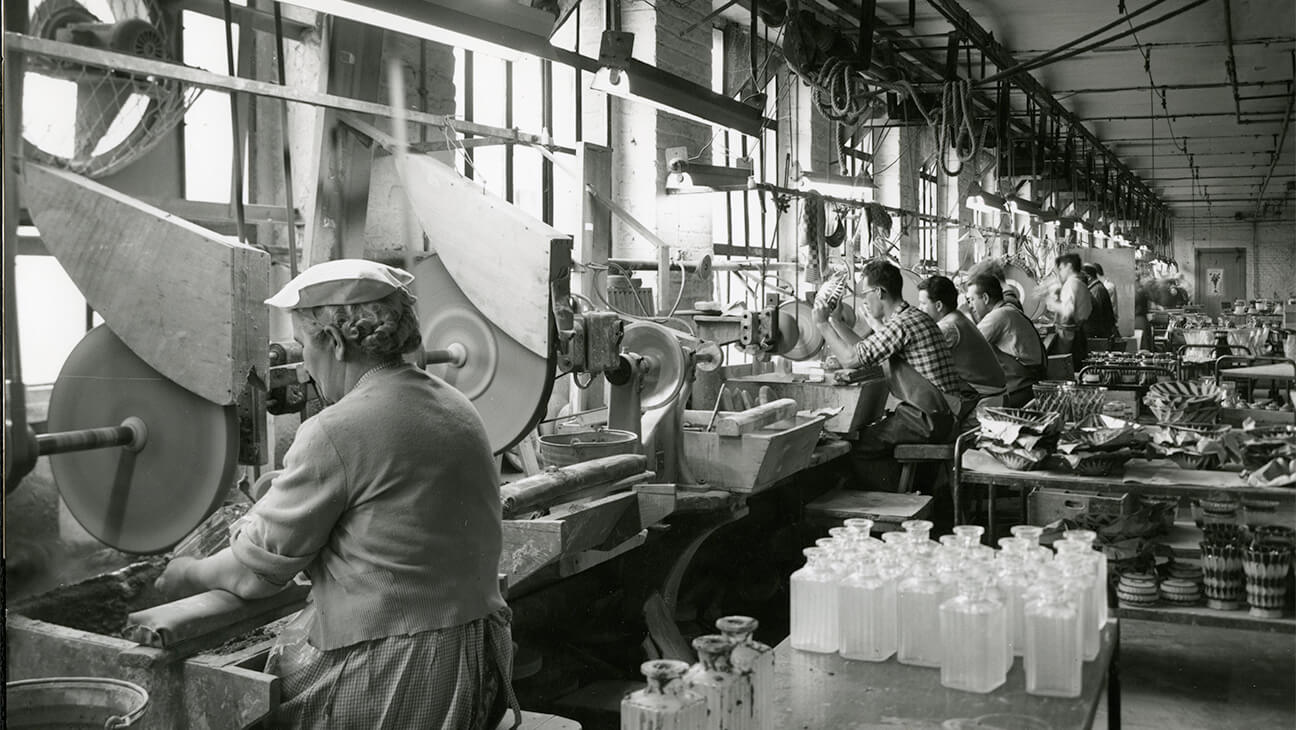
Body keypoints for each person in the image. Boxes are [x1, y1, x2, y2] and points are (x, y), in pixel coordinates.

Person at [155, 259, 521, 730]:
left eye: (305, 345)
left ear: (334, 342)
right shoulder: (457, 405)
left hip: (402, 678)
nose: (305, 366)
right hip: (478, 666)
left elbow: (253, 577)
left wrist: (186, 573)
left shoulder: (336, 431)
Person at [814, 259, 968, 478]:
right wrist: (836, 321)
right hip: (940, 414)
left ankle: (898, 494)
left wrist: (822, 324)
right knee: (871, 436)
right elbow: (864, 350)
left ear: (879, 292)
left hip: (929, 418)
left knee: (858, 446)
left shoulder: (902, 324)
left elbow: (850, 359)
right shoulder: (911, 317)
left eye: (865, 294)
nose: (864, 301)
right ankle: (908, 486)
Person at [916, 274, 1006, 410]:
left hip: (984, 402)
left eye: (923, 303)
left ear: (938, 305)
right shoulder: (957, 318)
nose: (919, 308)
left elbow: (917, 354)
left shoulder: (948, 327)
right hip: (993, 395)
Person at [966, 274, 1047, 408]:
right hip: (1028, 385)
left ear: (985, 298)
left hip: (1021, 389)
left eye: (971, 300)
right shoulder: (1008, 310)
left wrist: (964, 315)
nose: (970, 306)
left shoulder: (998, 316)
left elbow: (968, 346)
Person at [1045, 253, 1094, 371]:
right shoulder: (1081, 284)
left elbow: (1068, 311)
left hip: (1069, 337)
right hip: (1079, 334)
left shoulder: (1071, 284)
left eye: (1061, 268)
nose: (1060, 272)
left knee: (1064, 371)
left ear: (1069, 266)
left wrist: (1051, 302)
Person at [1082, 263, 1117, 342]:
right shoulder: (1097, 288)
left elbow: (1096, 317)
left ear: (1088, 277)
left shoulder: (1096, 290)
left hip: (1099, 337)